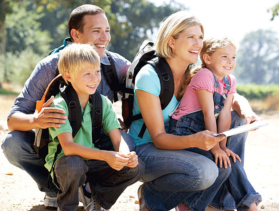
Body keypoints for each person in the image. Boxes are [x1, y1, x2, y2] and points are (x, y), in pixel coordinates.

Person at [1, 4, 134, 209]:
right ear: (76, 34)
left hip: (98, 143)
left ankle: (93, 192)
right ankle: (56, 190)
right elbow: (12, 120)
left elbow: (143, 77)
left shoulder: (116, 64)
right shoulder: (49, 67)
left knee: (129, 146)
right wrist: (37, 120)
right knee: (12, 143)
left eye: (107, 31)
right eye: (96, 31)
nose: (105, 38)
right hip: (61, 148)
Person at [128, 11, 260, 211]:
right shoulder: (149, 76)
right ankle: (153, 195)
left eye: (200, 37)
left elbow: (231, 97)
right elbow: (158, 138)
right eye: (191, 37)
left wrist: (247, 112)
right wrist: (195, 140)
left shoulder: (194, 73)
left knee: (234, 127)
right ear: (172, 41)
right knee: (206, 171)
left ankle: (197, 204)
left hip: (177, 143)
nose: (198, 43)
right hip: (148, 149)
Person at [44, 43, 143, 211]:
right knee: (74, 164)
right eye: (87, 74)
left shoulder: (102, 102)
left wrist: (125, 155)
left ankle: (96, 201)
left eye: (97, 72)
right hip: (66, 164)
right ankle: (67, 206)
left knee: (136, 167)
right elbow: (68, 148)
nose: (95, 79)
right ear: (68, 76)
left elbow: (117, 138)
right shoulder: (59, 105)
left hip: (92, 161)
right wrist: (107, 156)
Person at [168, 37, 262, 211]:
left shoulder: (229, 81)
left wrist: (223, 146)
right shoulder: (204, 75)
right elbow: (208, 113)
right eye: (224, 56)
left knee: (227, 159)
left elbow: (225, 114)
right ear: (207, 58)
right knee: (222, 163)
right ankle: (248, 205)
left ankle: (198, 204)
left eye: (233, 57)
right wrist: (215, 148)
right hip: (185, 131)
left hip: (206, 132)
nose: (230, 62)